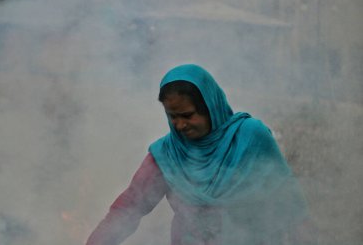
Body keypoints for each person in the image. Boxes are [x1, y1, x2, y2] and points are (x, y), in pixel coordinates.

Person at [86, 64, 315, 245]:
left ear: (211, 106)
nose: (179, 125)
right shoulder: (167, 155)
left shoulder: (250, 138)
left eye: (187, 115)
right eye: (172, 116)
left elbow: (289, 206)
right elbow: (128, 210)